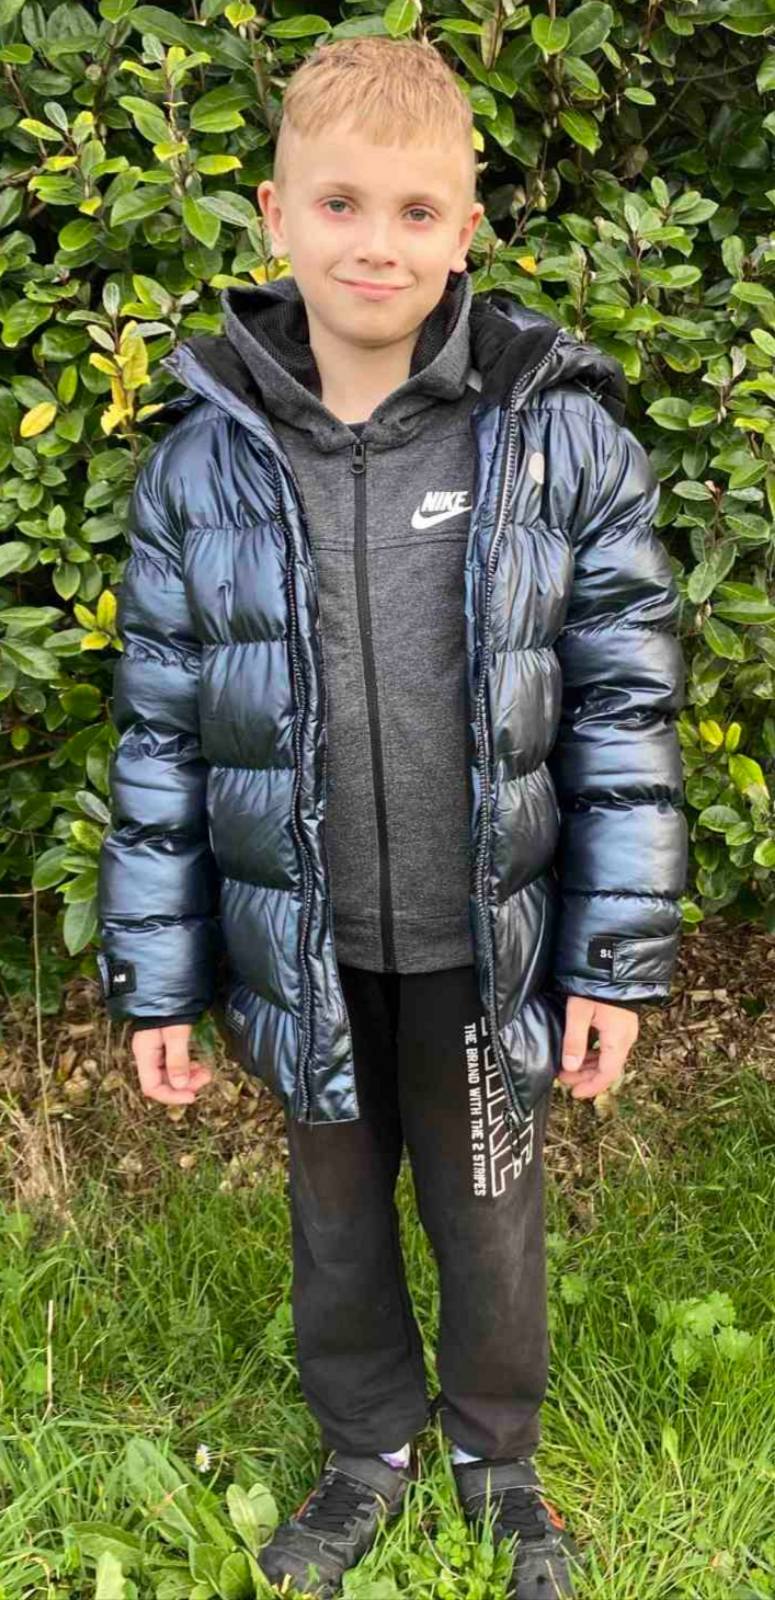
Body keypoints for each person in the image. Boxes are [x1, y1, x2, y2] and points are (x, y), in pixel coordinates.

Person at [96, 33, 688, 1600]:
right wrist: (159, 979)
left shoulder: (560, 439)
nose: (378, 243)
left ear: (466, 230)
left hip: (484, 945)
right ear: (275, 214)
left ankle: (498, 1460)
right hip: (301, 948)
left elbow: (626, 714)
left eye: (418, 211)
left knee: (491, 1217)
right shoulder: (200, 465)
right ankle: (367, 1452)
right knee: (339, 1225)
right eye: (342, 203)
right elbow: (159, 731)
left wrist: (611, 962)